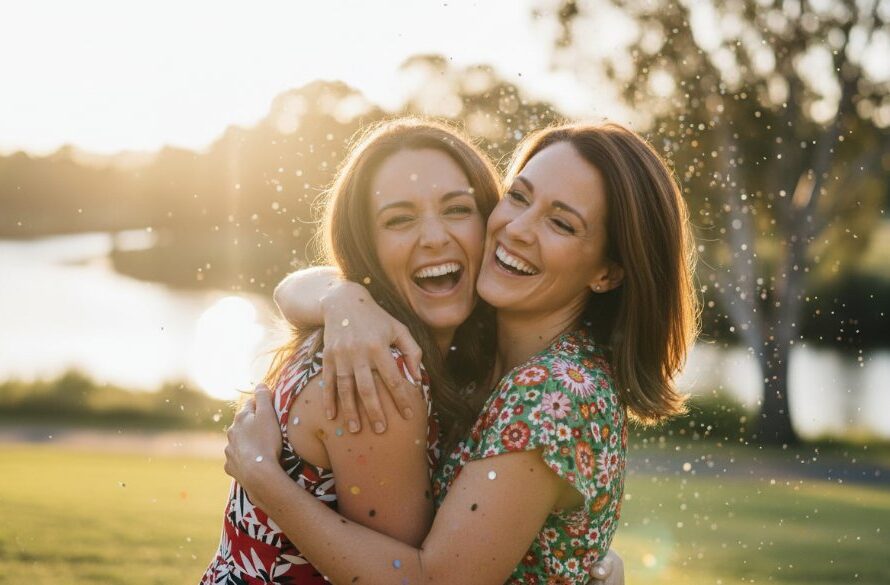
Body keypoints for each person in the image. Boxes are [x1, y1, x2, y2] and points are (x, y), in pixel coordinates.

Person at [225, 122, 698, 583]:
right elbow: (296, 286)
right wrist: (342, 298)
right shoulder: (465, 350)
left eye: (560, 223)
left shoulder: (553, 393)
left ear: (608, 272)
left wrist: (265, 480)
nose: (517, 229)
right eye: (518, 197)